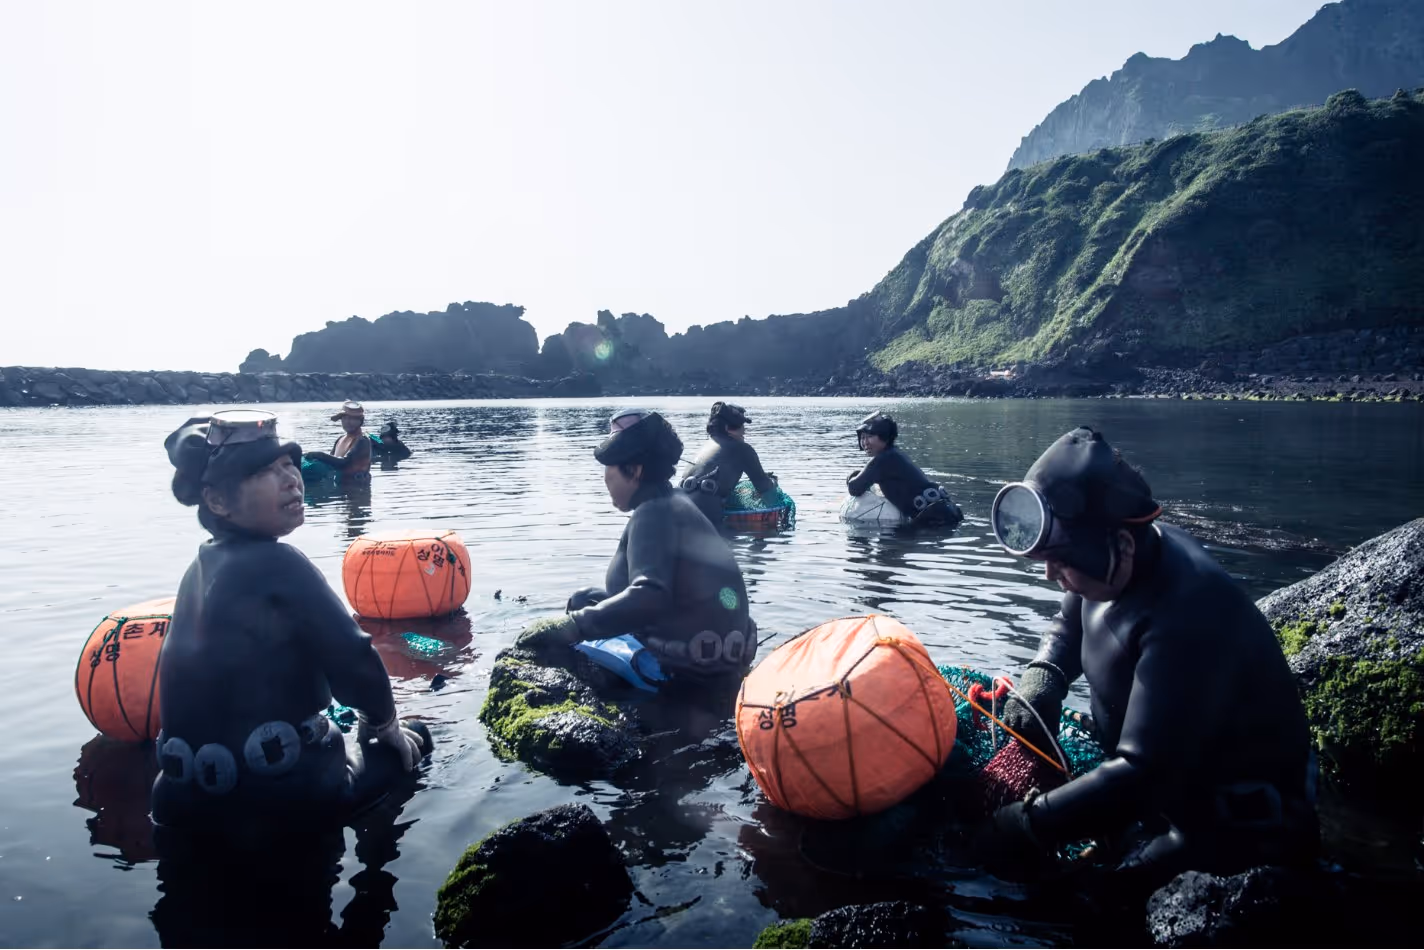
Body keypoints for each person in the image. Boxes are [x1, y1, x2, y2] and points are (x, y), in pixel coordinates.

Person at [974, 426, 1316, 889]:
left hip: (1230, 824)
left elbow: (1143, 774)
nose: (1051, 573)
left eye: (1060, 559)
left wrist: (1026, 823)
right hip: (1153, 788)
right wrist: (1046, 675)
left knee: (1093, 906)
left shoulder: (1188, 613)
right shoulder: (1110, 563)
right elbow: (1069, 624)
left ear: (1123, 545)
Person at [153, 409, 431, 837]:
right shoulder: (279, 563)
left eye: (289, 463)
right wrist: (384, 723)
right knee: (415, 738)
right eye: (266, 471)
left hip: (179, 796)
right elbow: (353, 657)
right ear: (217, 501)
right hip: (283, 794)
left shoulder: (200, 565)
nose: (291, 479)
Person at [517, 409, 757, 685]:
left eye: (610, 467)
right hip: (724, 653)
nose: (606, 477)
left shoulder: (653, 513)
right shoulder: (678, 504)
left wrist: (574, 626)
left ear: (634, 470)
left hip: (688, 668)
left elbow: (650, 595)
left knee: (580, 608)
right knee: (586, 598)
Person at [846, 412, 962, 526]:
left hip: (934, 520)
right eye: (862, 438)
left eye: (870, 436)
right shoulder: (896, 454)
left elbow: (854, 488)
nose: (865, 443)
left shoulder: (882, 460)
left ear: (884, 436)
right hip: (948, 512)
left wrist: (852, 476)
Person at [677, 401, 778, 525]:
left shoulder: (705, 447)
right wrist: (773, 481)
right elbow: (764, 487)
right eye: (742, 426)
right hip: (705, 517)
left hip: (677, 505)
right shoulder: (742, 449)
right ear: (727, 428)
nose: (744, 431)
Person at [303, 400, 373, 482]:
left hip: (357, 488)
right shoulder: (340, 439)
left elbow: (345, 463)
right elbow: (331, 463)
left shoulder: (362, 440)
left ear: (361, 421)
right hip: (339, 487)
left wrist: (319, 455)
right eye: (345, 418)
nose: (348, 422)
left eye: (352, 419)